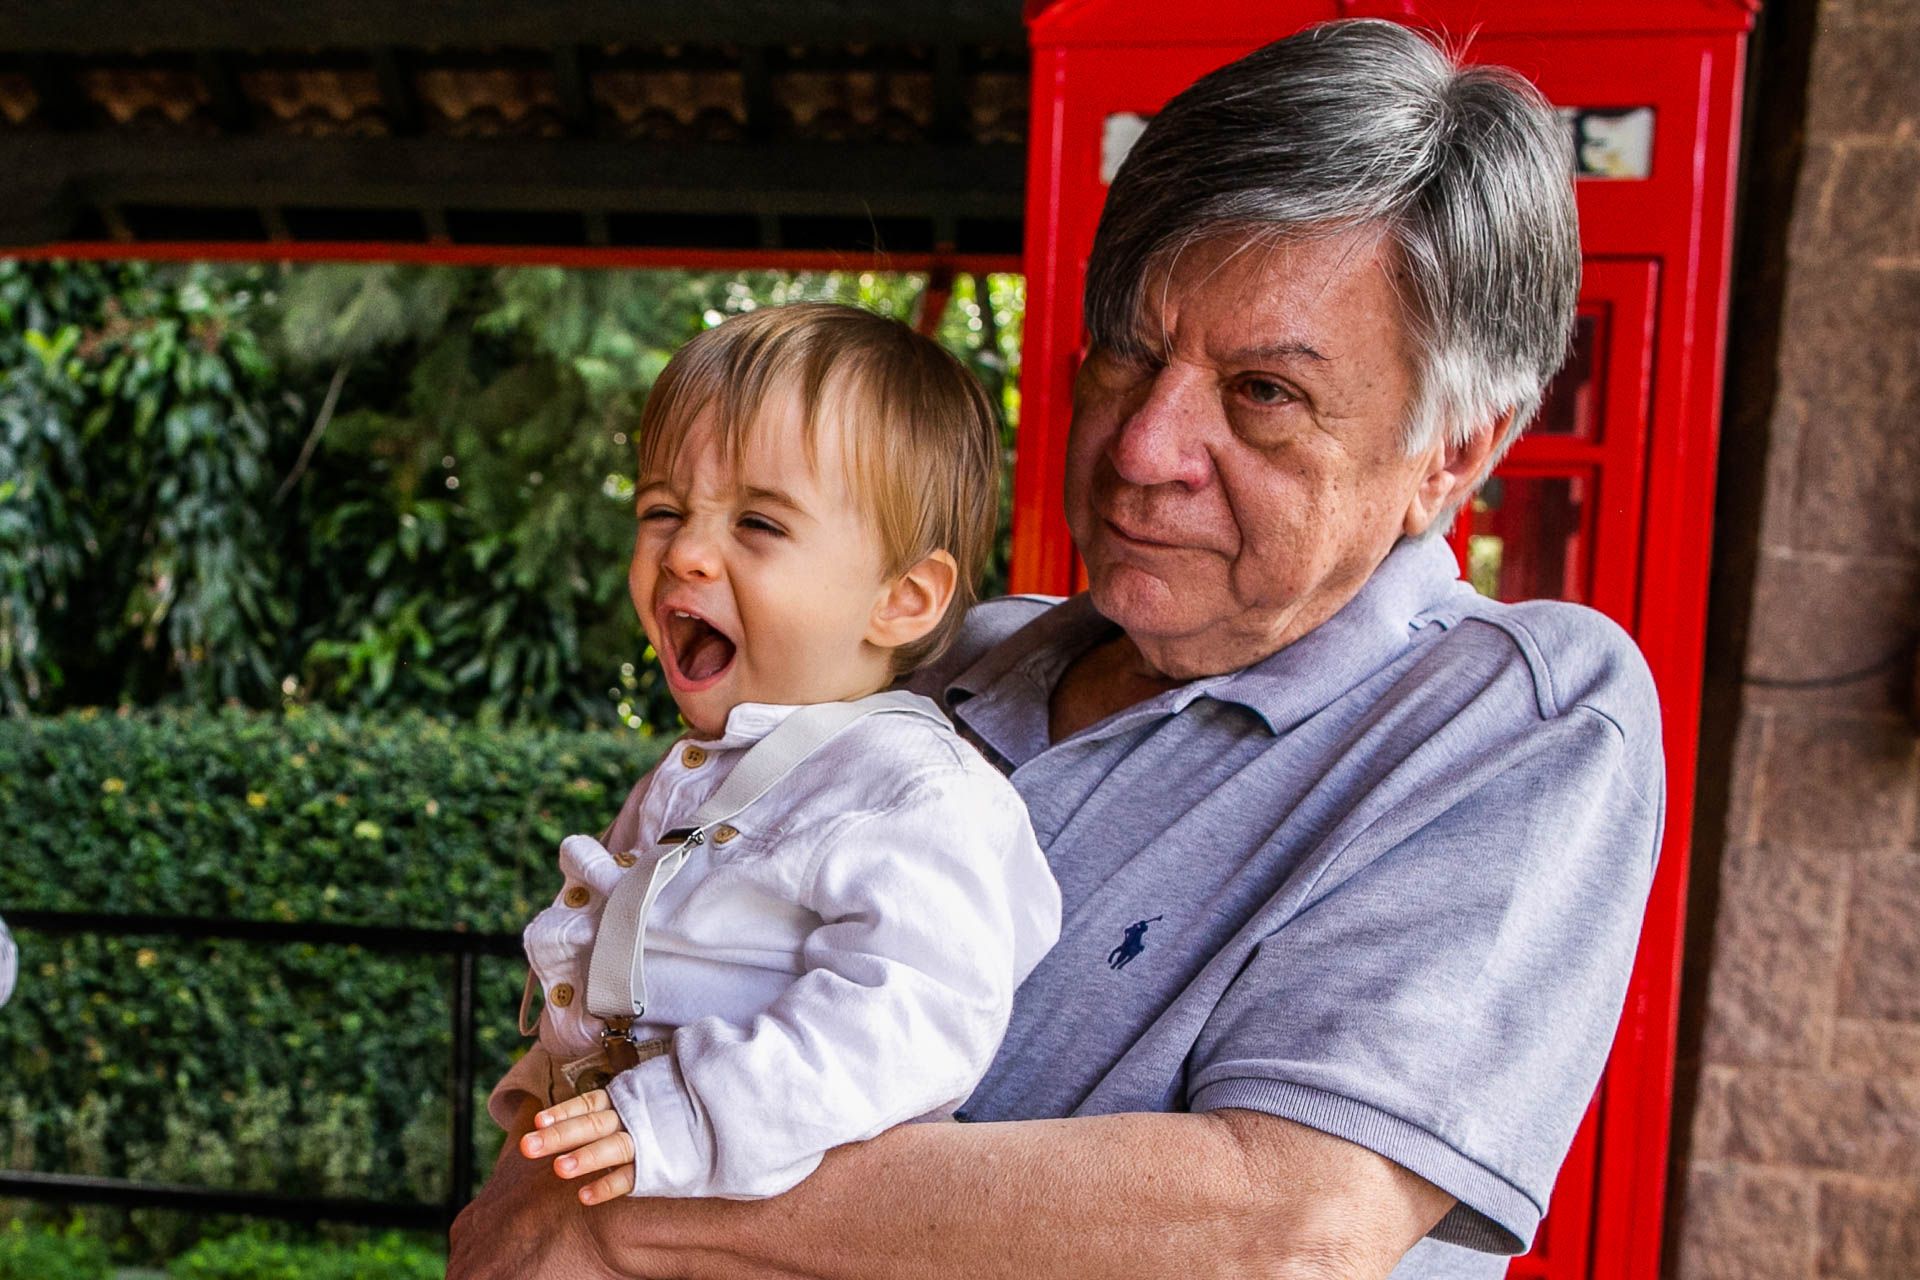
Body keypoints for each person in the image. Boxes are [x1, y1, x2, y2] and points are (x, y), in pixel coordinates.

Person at [450, 19, 1661, 1279]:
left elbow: (1286, 1223)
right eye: (1130, 350)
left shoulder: (1521, 713)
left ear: (1450, 454)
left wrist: (611, 1204)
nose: (1144, 445)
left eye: (1262, 392)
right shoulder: (953, 656)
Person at [494, 302, 1060, 1204]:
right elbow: (633, 974)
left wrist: (681, 1117)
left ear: (904, 599)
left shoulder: (916, 792)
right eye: (663, 510)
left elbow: (915, 1018)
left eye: (758, 525)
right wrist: (546, 1091)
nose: (685, 552)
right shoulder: (694, 776)